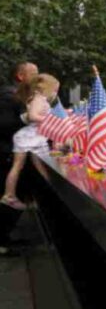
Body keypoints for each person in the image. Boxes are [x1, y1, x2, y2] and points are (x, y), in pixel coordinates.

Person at [1, 73, 57, 210]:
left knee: (39, 167)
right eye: (55, 90)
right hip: (30, 138)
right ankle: (9, 196)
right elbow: (32, 116)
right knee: (23, 166)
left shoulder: (38, 99)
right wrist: (50, 119)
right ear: (46, 88)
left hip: (33, 138)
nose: (55, 93)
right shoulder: (38, 99)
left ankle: (45, 196)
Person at [0, 63, 38, 252]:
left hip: (12, 154)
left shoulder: (20, 96)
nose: (37, 77)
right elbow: (5, 124)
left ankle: (4, 238)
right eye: (34, 73)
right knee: (10, 196)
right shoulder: (9, 96)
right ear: (20, 76)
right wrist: (26, 119)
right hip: (6, 155)